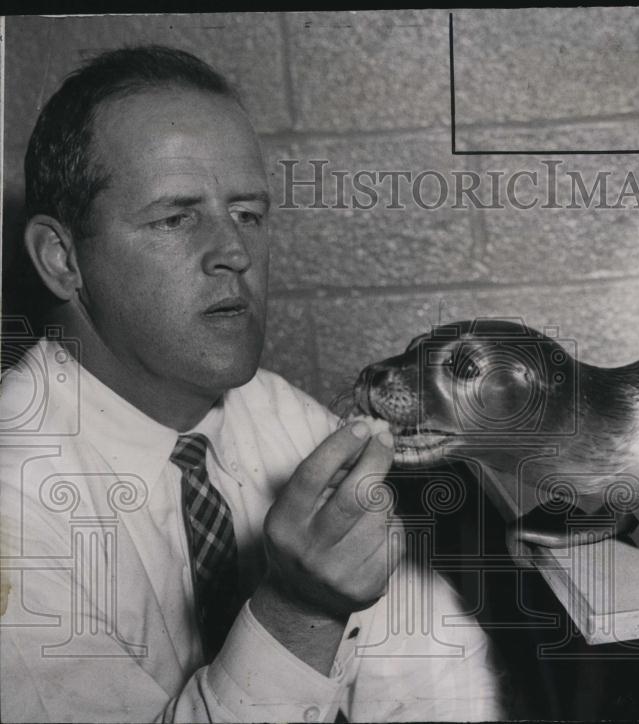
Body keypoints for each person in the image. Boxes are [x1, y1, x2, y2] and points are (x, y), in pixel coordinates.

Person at [0, 45, 504, 722]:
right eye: (175, 218)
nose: (234, 252)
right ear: (62, 259)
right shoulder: (16, 506)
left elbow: (434, 670)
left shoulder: (281, 419)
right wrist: (300, 610)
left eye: (248, 214)